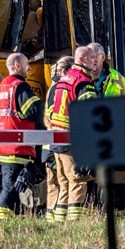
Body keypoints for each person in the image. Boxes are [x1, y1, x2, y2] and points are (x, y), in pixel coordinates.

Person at [0, 53, 44, 221]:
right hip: (19, 148)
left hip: (3, 150)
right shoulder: (20, 87)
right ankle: (1, 222)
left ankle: (12, 220)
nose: (29, 68)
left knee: (15, 187)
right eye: (26, 64)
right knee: (10, 189)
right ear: (17, 66)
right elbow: (34, 111)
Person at [48, 46, 97, 221]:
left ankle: (59, 222)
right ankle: (75, 222)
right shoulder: (83, 82)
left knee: (64, 182)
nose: (95, 61)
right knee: (78, 180)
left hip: (57, 138)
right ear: (82, 59)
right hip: (72, 139)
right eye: (92, 58)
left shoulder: (64, 79)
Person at [43, 56, 74, 222]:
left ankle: (52, 219)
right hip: (59, 143)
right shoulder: (62, 88)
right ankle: (60, 218)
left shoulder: (52, 88)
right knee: (64, 182)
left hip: (50, 144)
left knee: (54, 183)